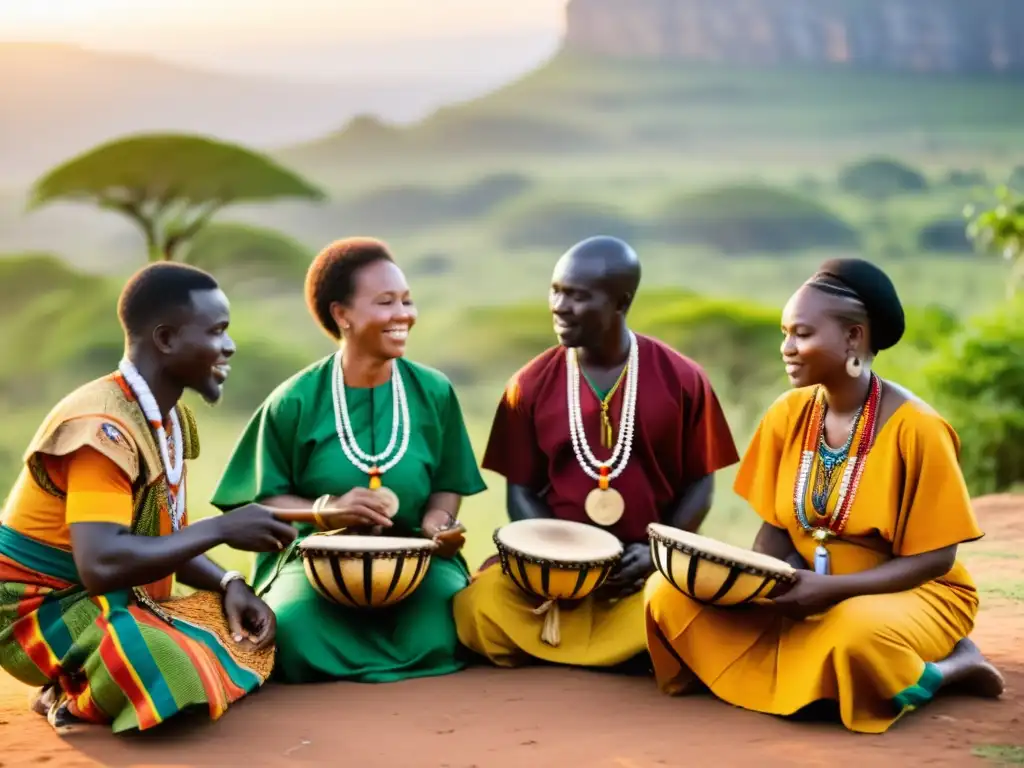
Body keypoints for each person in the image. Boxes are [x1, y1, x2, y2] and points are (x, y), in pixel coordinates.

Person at [644, 257, 1006, 734]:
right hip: (807, 591)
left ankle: (952, 667)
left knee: (856, 635)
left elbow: (937, 560)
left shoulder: (919, 429)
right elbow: (773, 530)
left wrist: (833, 591)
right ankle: (808, 676)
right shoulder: (787, 413)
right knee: (667, 593)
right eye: (784, 332)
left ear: (854, 337)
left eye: (802, 334)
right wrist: (764, 585)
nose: (786, 348)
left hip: (906, 594)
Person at [0, 262, 297, 735]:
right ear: (165, 339)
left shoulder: (169, 420)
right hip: (40, 612)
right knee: (173, 667)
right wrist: (222, 528)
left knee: (250, 632)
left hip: (116, 597)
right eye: (217, 331)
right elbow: (101, 564)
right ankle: (71, 691)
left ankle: (106, 672)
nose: (230, 346)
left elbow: (164, 536)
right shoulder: (101, 429)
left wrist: (229, 583)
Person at [453, 236, 740, 670]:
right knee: (479, 605)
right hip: (553, 577)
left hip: (644, 570)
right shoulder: (529, 384)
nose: (559, 306)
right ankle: (625, 652)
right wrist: (556, 559)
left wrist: (656, 553)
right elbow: (521, 492)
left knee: (680, 608)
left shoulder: (683, 379)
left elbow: (701, 484)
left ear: (620, 301)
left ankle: (591, 644)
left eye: (578, 296)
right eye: (556, 290)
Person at [210, 237, 486, 684]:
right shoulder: (294, 400)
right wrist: (324, 512)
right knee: (295, 633)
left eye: (407, 300)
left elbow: (447, 481)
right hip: (314, 564)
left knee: (451, 626)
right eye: (385, 302)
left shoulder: (435, 392)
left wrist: (438, 522)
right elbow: (258, 502)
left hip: (415, 561)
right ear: (342, 315)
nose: (403, 315)